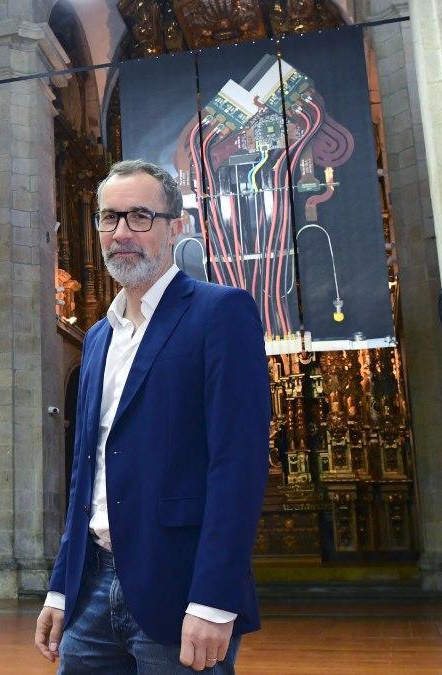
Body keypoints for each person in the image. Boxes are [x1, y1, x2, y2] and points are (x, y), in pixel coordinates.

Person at [34, 160, 270, 673]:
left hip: (180, 588)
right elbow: (86, 473)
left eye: (140, 217)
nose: (121, 233)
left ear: (174, 227)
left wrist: (214, 598)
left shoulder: (219, 313)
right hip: (91, 588)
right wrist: (60, 587)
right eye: (109, 218)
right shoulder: (97, 337)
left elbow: (239, 466)